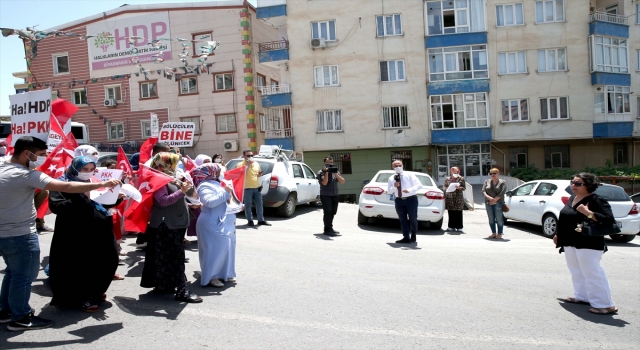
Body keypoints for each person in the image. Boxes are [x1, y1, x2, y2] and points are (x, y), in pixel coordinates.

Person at [0, 136, 120, 331]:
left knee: (13, 273)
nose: (43, 158)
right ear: (26, 153)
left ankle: (5, 311)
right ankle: (20, 317)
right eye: (40, 155)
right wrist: (99, 186)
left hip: (6, 233)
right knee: (23, 276)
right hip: (20, 233)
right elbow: (64, 187)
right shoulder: (26, 175)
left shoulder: (3, 168)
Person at [48, 156, 120, 312]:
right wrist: (82, 196)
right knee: (80, 266)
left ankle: (96, 291)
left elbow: (103, 203)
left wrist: (117, 198)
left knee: (108, 259)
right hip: (74, 233)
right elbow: (57, 207)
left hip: (99, 229)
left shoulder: (95, 182)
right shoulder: (61, 183)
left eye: (91, 170)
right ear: (74, 169)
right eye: (84, 169)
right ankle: (81, 298)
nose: (88, 173)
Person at [140, 152, 202, 303]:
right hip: (166, 225)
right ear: (167, 164)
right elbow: (162, 201)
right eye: (175, 162)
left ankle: (164, 285)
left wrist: (189, 204)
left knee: (165, 257)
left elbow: (172, 201)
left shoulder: (169, 177)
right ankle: (181, 290)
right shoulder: (159, 179)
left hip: (172, 223)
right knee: (175, 258)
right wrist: (182, 192)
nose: (177, 165)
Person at [553, 173, 618, 315]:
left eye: (578, 183)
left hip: (589, 241)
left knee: (592, 272)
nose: (573, 185)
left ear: (588, 185)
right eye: (573, 182)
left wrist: (588, 213)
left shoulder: (596, 200)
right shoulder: (573, 198)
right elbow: (565, 218)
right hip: (570, 241)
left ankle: (606, 304)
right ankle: (582, 297)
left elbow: (608, 220)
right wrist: (558, 234)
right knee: (576, 270)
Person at [193, 163, 237, 287]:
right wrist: (226, 192)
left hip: (225, 221)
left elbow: (228, 200)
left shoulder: (219, 183)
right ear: (210, 172)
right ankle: (212, 276)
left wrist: (238, 206)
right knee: (214, 250)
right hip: (212, 222)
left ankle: (225, 274)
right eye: (218, 171)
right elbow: (209, 202)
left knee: (226, 248)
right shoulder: (204, 185)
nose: (220, 173)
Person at [387, 160, 422, 244]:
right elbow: (389, 191)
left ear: (403, 166)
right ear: (393, 168)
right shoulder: (391, 178)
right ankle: (406, 237)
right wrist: (394, 187)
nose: (398, 167)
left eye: (399, 165)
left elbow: (419, 185)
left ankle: (413, 233)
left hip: (411, 199)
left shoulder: (409, 175)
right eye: (396, 166)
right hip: (399, 200)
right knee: (402, 219)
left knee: (413, 219)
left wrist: (409, 190)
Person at [237, 150, 270, 227]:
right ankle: (250, 220)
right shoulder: (240, 164)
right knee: (248, 205)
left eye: (251, 155)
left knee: (259, 204)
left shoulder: (256, 163)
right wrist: (248, 164)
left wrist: (259, 174)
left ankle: (261, 220)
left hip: (256, 187)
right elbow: (242, 174)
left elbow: (257, 174)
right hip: (247, 188)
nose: (250, 157)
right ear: (244, 156)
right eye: (248, 155)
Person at [316, 156, 345, 236]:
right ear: (324, 163)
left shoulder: (336, 171)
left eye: (331, 163)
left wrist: (335, 173)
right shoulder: (321, 172)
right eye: (328, 163)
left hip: (335, 194)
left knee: (333, 212)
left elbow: (342, 181)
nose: (330, 164)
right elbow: (324, 183)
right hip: (325, 195)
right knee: (328, 212)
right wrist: (326, 172)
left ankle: (330, 228)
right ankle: (327, 229)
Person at [482, 168, 507, 239]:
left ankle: (500, 233)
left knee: (499, 219)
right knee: (491, 219)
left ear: (498, 174)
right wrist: (490, 198)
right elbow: (483, 191)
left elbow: (502, 192)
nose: (492, 175)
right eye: (491, 173)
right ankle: (493, 233)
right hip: (488, 202)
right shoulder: (487, 181)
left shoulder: (502, 182)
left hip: (498, 202)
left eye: (494, 173)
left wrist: (494, 200)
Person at [443, 167, 466, 232]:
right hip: (450, 198)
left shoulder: (461, 179)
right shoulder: (448, 179)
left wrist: (459, 188)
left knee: (458, 212)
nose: (456, 173)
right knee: (451, 212)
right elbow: (444, 187)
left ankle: (459, 227)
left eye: (457, 172)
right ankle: (451, 226)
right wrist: (448, 188)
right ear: (451, 172)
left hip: (458, 198)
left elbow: (464, 187)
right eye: (454, 172)